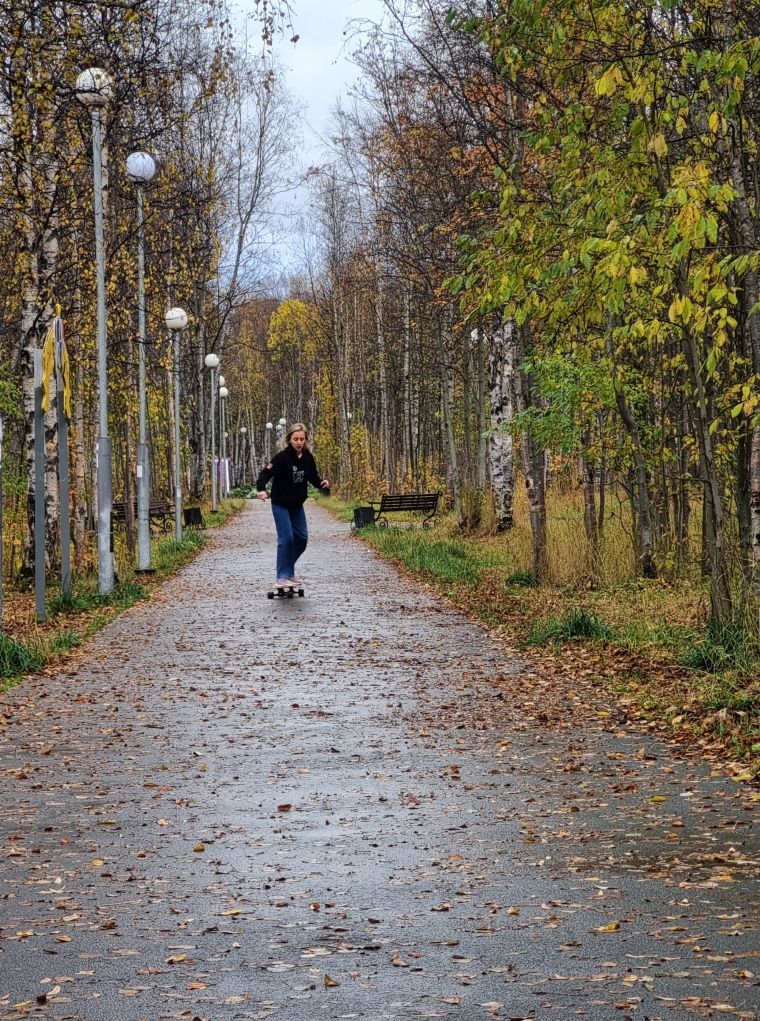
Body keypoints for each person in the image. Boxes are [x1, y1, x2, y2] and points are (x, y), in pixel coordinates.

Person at [256, 422, 330, 588]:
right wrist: (261, 489)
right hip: (280, 504)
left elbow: (312, 476)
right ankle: (281, 576)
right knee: (287, 538)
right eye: (295, 439)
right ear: (289, 439)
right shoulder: (282, 457)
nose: (299, 442)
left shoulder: (307, 457)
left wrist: (321, 483)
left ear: (305, 440)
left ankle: (287, 570)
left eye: (302, 439)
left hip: (297, 505)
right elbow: (266, 473)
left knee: (302, 539)